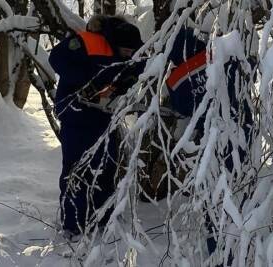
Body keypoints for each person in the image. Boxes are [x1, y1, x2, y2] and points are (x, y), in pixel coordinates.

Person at [165, 26, 254, 264]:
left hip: (212, 141)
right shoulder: (223, 53)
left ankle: (222, 252)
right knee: (240, 189)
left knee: (215, 198)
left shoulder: (176, 78)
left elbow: (180, 107)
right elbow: (250, 69)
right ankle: (240, 248)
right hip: (242, 130)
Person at [49, 15, 144, 236]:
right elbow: (56, 58)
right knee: (77, 167)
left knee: (106, 164)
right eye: (126, 51)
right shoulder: (88, 42)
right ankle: (73, 225)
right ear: (114, 42)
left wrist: (126, 82)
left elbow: (139, 67)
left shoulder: (133, 45)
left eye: (131, 52)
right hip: (75, 112)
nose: (129, 55)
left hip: (104, 115)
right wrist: (87, 82)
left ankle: (103, 218)